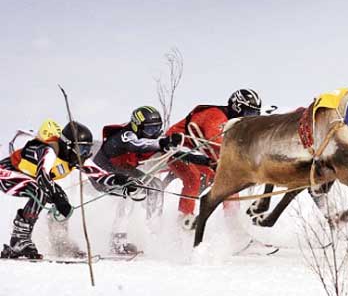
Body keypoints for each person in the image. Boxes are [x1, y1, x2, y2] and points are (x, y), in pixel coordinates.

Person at [0, 121, 140, 259]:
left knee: (63, 203)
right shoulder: (49, 151)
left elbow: (100, 176)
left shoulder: (76, 158)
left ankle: (59, 242)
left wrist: (123, 182)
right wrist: (57, 198)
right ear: (68, 145)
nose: (84, 154)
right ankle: (19, 240)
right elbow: (43, 176)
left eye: (87, 150)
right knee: (42, 191)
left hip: (31, 178)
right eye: (81, 149)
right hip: (6, 173)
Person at [93, 106, 209, 253]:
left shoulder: (152, 140)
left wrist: (205, 161)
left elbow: (176, 153)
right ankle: (117, 241)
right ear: (137, 126)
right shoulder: (126, 135)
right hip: (102, 175)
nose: (153, 134)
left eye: (157, 128)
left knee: (155, 185)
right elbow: (136, 145)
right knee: (130, 193)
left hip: (123, 171)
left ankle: (154, 230)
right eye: (149, 130)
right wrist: (162, 143)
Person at [166, 89, 262, 229]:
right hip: (174, 149)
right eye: (249, 113)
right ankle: (184, 220)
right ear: (237, 107)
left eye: (255, 114)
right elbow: (217, 142)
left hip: (198, 153)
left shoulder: (232, 122)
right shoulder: (216, 116)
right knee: (193, 178)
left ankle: (235, 230)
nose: (251, 119)